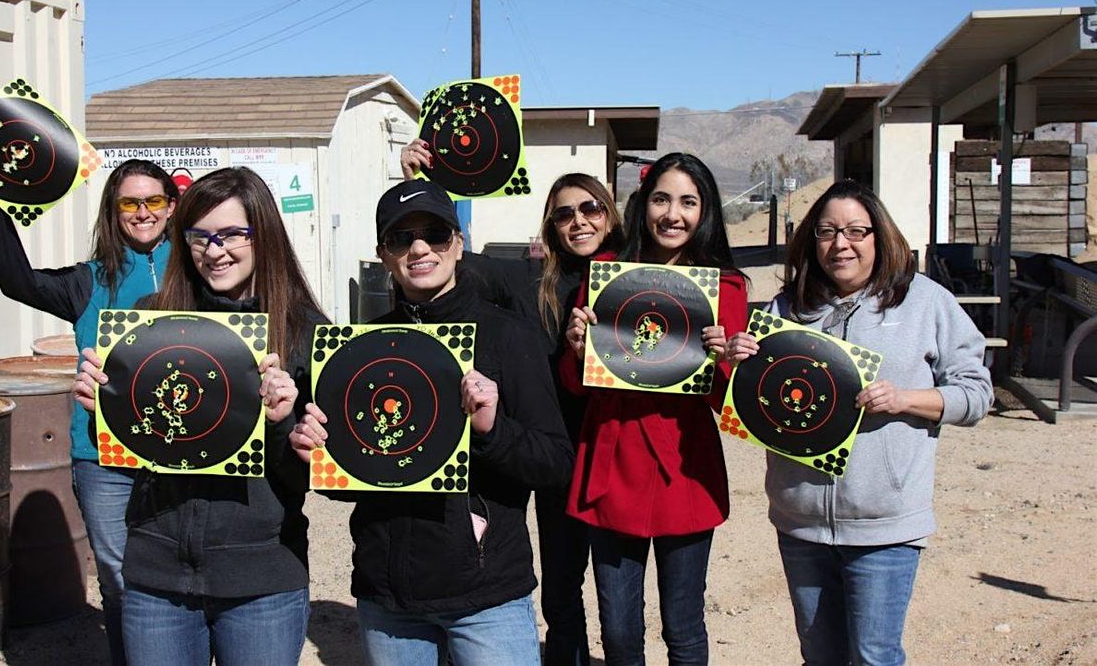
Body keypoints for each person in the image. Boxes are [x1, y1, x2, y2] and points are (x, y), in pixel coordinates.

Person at [290, 179, 575, 666]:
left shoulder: (509, 336)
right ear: (384, 254)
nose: (420, 248)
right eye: (402, 238)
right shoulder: (359, 348)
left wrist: (492, 431)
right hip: (391, 598)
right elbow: (346, 481)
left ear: (458, 244)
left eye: (435, 234)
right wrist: (316, 449)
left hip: (487, 599)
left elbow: (556, 463)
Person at [726, 179, 992, 666]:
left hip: (884, 526)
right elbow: (764, 404)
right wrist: (741, 362)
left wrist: (906, 399)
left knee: (873, 656)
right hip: (800, 521)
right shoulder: (788, 307)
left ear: (879, 235)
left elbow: (976, 394)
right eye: (827, 232)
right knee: (819, 656)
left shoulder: (925, 302)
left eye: (855, 231)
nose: (840, 244)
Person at [74, 167, 326, 665]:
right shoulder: (149, 320)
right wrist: (101, 405)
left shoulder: (303, 332)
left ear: (264, 235)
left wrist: (282, 424)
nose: (215, 251)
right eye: (200, 236)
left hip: (262, 579)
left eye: (233, 234)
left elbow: (308, 477)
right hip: (157, 573)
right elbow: (134, 449)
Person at [402, 139, 624, 664]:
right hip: (556, 457)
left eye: (590, 208)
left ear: (610, 217)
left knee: (620, 597)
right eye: (564, 213)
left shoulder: (639, 281)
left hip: (619, 454)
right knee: (562, 588)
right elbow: (445, 255)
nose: (579, 221)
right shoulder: (529, 282)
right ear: (551, 227)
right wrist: (421, 184)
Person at [0, 158, 178, 665]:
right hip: (103, 454)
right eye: (129, 202)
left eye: (153, 201)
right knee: (120, 575)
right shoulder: (87, 282)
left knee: (182, 569)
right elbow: (17, 280)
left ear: (171, 207)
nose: (142, 212)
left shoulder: (197, 269)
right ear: (113, 209)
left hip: (184, 448)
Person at [562, 152, 748, 666]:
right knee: (619, 630)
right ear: (644, 205)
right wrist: (577, 349)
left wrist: (723, 360)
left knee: (684, 626)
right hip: (613, 459)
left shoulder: (726, 287)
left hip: (684, 467)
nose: (673, 214)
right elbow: (578, 386)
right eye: (662, 199)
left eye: (689, 202)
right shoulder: (604, 273)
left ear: (705, 211)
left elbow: (727, 403)